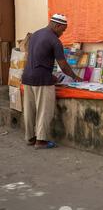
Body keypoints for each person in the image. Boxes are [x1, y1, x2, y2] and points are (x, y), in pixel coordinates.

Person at [22, 14, 82, 150]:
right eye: (63, 30)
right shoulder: (54, 40)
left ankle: (30, 138)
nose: (62, 33)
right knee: (44, 110)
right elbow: (63, 65)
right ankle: (41, 141)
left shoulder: (35, 34)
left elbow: (34, 57)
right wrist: (75, 77)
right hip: (42, 80)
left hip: (27, 77)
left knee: (29, 110)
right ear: (57, 26)